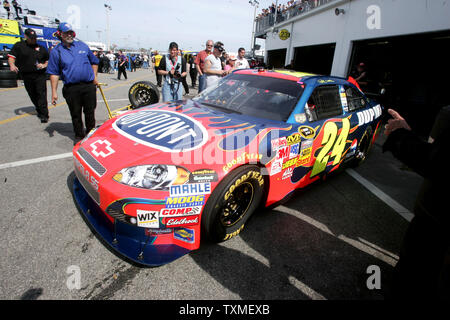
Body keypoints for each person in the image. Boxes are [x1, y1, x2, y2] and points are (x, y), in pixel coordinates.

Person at [383, 107, 450, 300]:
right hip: (434, 222)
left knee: (412, 283)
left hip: (434, 224)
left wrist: (401, 136)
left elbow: (436, 162)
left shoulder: (447, 114)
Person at [46, 22, 99, 144]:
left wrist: (95, 77)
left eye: (71, 32)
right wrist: (54, 92)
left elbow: (94, 61)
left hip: (88, 86)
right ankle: (79, 135)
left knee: (90, 112)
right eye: (66, 33)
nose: (69, 35)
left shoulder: (83, 46)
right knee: (75, 113)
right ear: (60, 34)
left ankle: (90, 135)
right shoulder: (56, 51)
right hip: (71, 88)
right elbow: (54, 73)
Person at [8, 28, 50, 123]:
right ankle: (39, 110)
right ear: (26, 37)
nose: (33, 40)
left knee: (41, 94)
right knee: (32, 94)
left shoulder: (41, 48)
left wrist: (43, 65)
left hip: (39, 75)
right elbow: (11, 57)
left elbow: (48, 60)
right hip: (26, 75)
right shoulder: (19, 46)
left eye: (35, 38)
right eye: (31, 38)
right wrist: (12, 65)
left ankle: (44, 114)